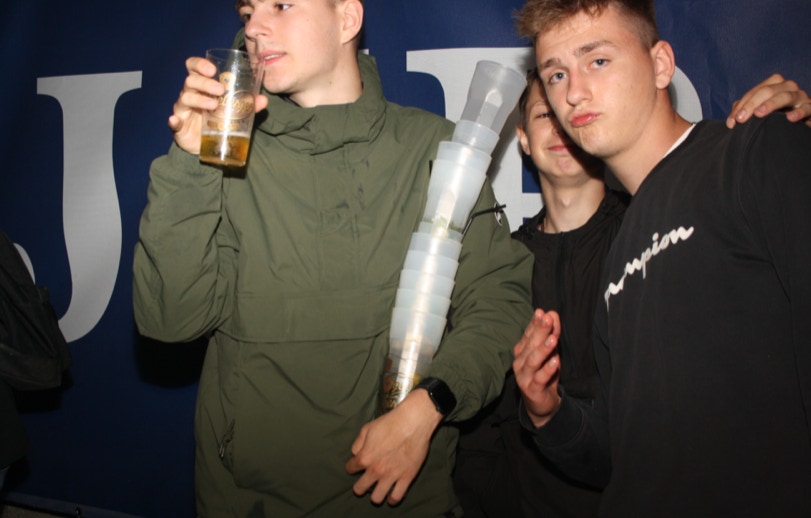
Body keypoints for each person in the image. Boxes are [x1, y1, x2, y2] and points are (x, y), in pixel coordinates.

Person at [132, 0, 533, 516]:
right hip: (252, 503)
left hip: (402, 502)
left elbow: (499, 301)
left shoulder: (431, 148)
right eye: (249, 12)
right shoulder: (224, 153)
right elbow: (169, 321)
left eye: (281, 5)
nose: (255, 27)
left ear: (347, 19)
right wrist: (192, 160)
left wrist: (432, 403)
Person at [453, 65, 811, 516]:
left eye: (568, 116)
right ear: (522, 138)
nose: (561, 127)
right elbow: (484, 434)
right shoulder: (504, 264)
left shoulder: (657, 237)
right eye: (545, 115)